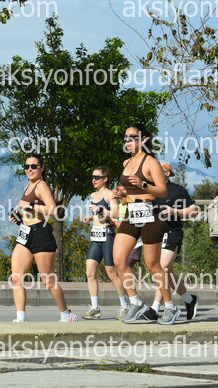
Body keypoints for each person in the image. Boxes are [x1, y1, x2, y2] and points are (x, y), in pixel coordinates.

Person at [9, 154, 77, 322]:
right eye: (27, 167)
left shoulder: (42, 185)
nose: (30, 169)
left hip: (41, 234)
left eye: (34, 166)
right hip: (25, 233)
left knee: (47, 280)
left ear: (42, 168)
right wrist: (19, 218)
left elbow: (54, 210)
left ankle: (66, 314)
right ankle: (21, 318)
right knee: (16, 277)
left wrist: (30, 205)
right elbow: (32, 214)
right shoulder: (28, 186)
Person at [112, 123, 167, 324]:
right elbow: (128, 193)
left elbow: (162, 191)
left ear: (143, 139)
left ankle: (170, 306)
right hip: (131, 213)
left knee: (153, 265)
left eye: (132, 137)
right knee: (119, 260)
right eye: (125, 138)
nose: (127, 141)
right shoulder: (126, 163)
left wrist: (143, 184)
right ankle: (136, 302)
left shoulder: (151, 162)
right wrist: (121, 194)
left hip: (150, 214)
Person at [140, 162, 199, 324]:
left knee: (163, 266)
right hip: (154, 234)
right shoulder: (150, 190)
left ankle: (155, 308)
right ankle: (189, 299)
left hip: (172, 232)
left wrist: (175, 211)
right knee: (164, 271)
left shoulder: (177, 190)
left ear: (166, 173)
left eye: (158, 171)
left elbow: (193, 211)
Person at [82, 166, 128, 320]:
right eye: (92, 177)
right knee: (90, 272)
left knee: (111, 273)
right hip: (95, 235)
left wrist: (101, 210)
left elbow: (115, 213)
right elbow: (97, 214)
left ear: (105, 178)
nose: (94, 180)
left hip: (107, 235)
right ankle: (95, 308)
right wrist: (89, 218)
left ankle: (125, 306)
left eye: (97, 177)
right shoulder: (93, 195)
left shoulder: (110, 195)